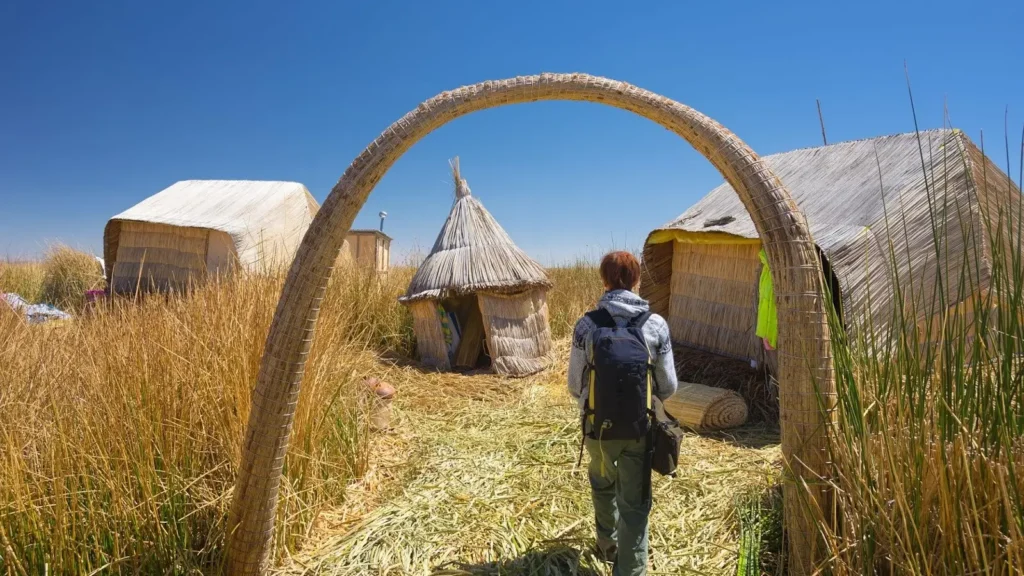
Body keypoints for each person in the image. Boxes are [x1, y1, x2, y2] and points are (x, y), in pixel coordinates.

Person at [567, 251, 678, 576]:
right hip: (639, 429)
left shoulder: (587, 325)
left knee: (602, 483)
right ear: (637, 280)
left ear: (604, 281)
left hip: (597, 429)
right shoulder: (656, 325)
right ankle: (630, 570)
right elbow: (668, 385)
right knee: (635, 504)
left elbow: (575, 385)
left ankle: (607, 545)